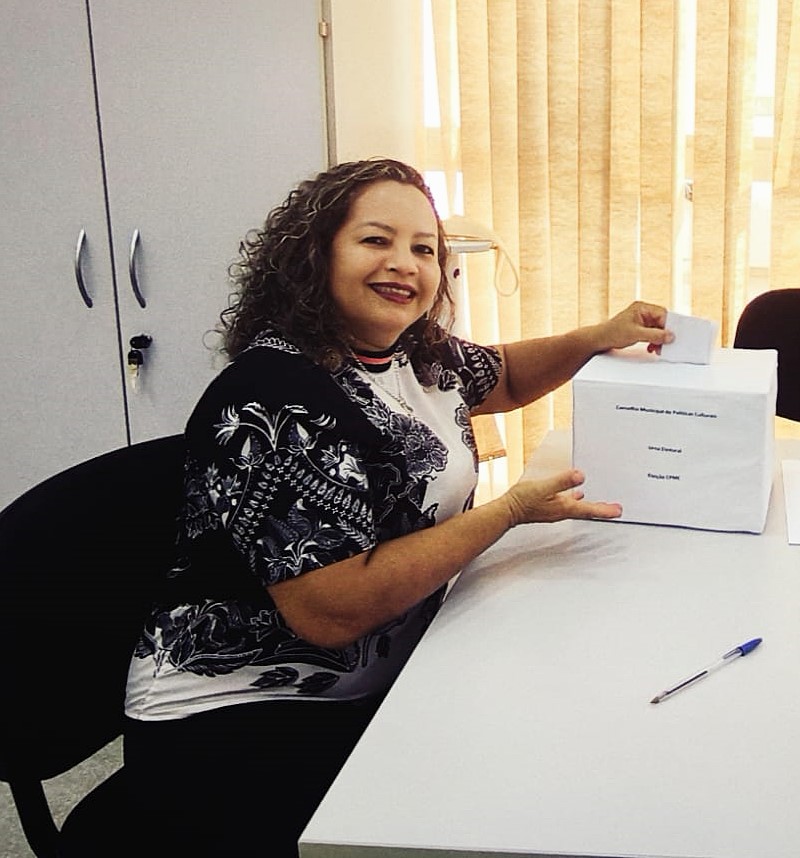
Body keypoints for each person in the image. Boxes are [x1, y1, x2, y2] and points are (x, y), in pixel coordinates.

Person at [123, 158, 671, 854]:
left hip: (369, 676)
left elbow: (501, 376)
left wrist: (595, 337)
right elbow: (330, 610)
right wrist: (505, 513)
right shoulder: (273, 396)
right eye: (375, 240)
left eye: (423, 249)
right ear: (314, 252)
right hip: (241, 715)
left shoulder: (409, 352)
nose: (404, 264)